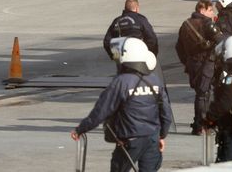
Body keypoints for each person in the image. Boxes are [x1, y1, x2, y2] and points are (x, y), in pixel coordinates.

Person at [71, 38, 172, 172]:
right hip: (152, 138)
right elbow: (166, 113)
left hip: (130, 140)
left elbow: (101, 112)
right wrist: (161, 135)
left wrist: (81, 129)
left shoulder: (121, 82)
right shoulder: (155, 81)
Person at [175, 0, 222, 134]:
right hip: (206, 62)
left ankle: (199, 124)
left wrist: (187, 61)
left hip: (192, 63)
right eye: (210, 10)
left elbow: (179, 47)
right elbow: (221, 41)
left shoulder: (186, 24)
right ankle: (202, 125)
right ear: (202, 10)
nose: (212, 13)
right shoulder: (207, 24)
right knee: (204, 94)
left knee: (200, 93)